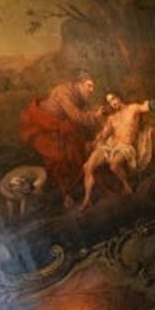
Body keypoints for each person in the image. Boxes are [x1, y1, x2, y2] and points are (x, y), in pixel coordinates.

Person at [19, 72, 103, 208]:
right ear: (80, 83)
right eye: (89, 85)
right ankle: (66, 194)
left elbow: (75, 112)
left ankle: (80, 184)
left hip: (60, 124)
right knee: (59, 159)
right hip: (46, 126)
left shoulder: (75, 92)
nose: (91, 90)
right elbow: (75, 115)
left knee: (76, 150)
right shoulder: (65, 92)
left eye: (93, 87)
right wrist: (95, 116)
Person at [80, 93, 155, 210]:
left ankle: (127, 186)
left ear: (119, 97)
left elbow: (149, 105)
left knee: (114, 165)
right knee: (88, 166)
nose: (113, 103)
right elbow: (104, 135)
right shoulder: (112, 118)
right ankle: (87, 200)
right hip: (110, 146)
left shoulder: (132, 109)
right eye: (109, 102)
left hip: (125, 147)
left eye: (113, 99)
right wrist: (95, 141)